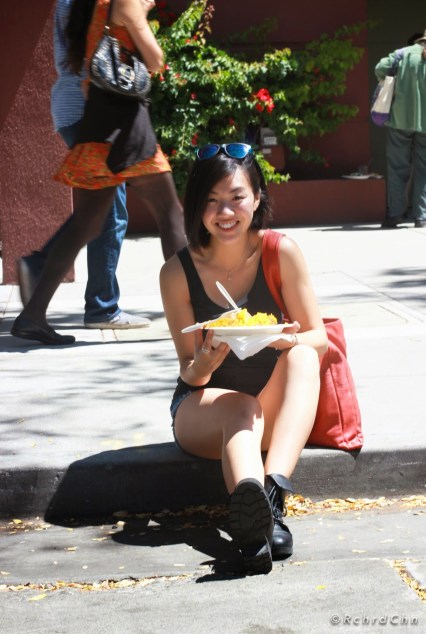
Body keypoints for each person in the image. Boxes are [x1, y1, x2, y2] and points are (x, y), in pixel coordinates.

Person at [159, 143, 328, 574]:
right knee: (241, 406)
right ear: (196, 206)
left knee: (304, 357)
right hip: (203, 411)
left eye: (236, 197)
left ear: (256, 198)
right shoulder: (177, 272)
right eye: (212, 200)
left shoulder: (280, 252)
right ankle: (257, 523)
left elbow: (319, 339)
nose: (225, 212)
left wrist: (281, 339)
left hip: (272, 407)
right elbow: (188, 371)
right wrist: (205, 362)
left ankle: (269, 503)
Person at [11, 0, 186, 345]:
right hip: (126, 126)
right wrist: (141, 16)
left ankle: (32, 316)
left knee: (87, 224)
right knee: (170, 214)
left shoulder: (87, 7)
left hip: (99, 124)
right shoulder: (121, 2)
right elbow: (155, 60)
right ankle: (196, 311)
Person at [376, 31, 426, 229]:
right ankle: (421, 217)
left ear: (418, 40)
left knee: (397, 168)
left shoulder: (403, 54)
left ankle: (395, 214)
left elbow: (379, 68)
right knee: (424, 170)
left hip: (399, 120)